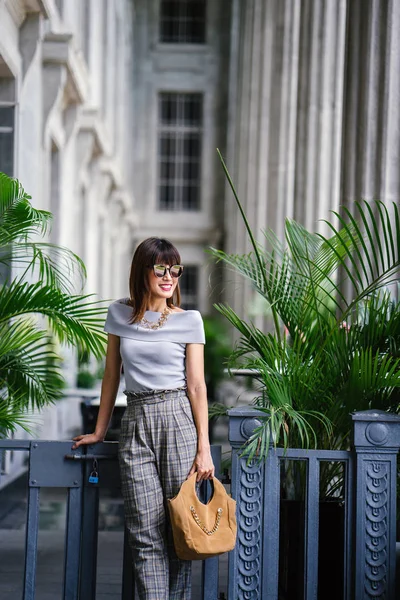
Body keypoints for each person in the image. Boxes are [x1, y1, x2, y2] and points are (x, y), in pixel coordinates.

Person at [72, 237, 214, 600]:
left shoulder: (189, 321)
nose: (170, 277)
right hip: (135, 419)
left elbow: (197, 387)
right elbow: (110, 376)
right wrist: (100, 431)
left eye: (175, 270)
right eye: (161, 269)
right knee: (143, 528)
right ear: (143, 271)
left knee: (179, 528)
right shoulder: (119, 313)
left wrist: (205, 448)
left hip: (177, 418)